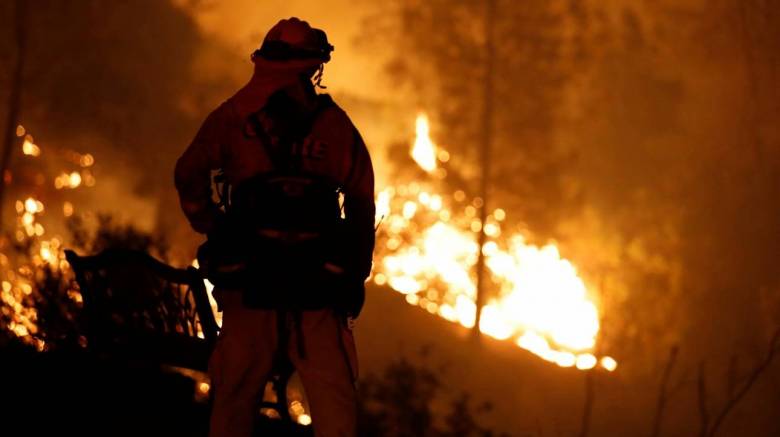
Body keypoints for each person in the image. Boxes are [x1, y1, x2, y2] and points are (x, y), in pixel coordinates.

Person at [174, 17, 375, 437]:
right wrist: (351, 273)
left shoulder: (232, 118)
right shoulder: (335, 126)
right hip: (315, 291)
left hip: (253, 285)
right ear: (314, 67)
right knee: (335, 408)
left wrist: (212, 225)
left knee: (233, 404)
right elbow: (360, 203)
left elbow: (188, 174)